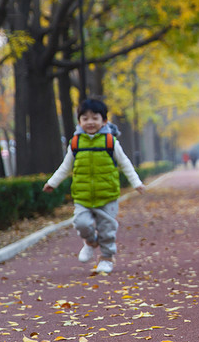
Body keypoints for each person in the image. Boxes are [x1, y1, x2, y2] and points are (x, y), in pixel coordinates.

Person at [43, 98, 146, 274]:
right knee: (81, 223)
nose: (90, 122)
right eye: (85, 118)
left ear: (104, 121)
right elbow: (65, 167)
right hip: (83, 196)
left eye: (95, 118)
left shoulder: (110, 142)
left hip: (107, 195)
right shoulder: (75, 143)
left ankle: (106, 258)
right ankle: (90, 241)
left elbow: (125, 164)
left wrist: (136, 183)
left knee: (107, 230)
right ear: (79, 121)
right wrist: (52, 182)